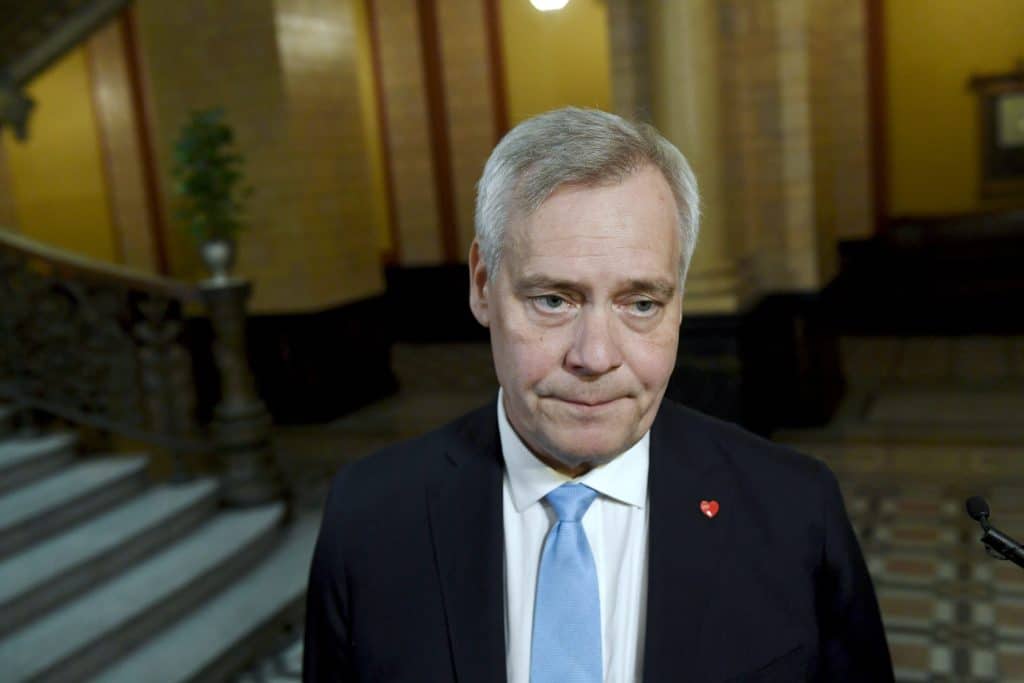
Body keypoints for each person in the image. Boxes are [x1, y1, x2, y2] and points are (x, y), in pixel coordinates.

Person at [303, 107, 893, 682]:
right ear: (482, 286)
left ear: (679, 304)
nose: (595, 356)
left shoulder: (796, 509)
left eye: (641, 304)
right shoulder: (369, 517)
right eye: (553, 300)